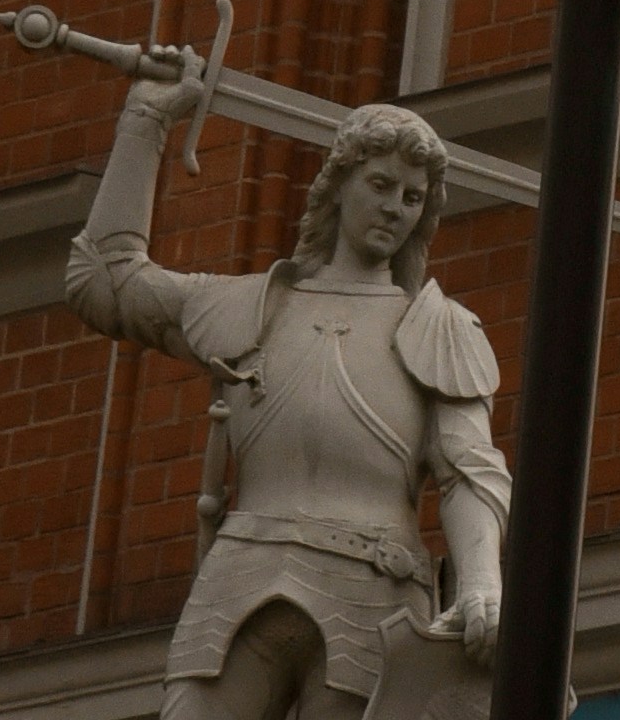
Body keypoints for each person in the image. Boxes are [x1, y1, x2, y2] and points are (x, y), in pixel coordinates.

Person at [66, 54, 506, 720]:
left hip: (373, 596)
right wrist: (146, 119)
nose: (395, 207)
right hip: (241, 582)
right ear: (340, 185)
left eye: (412, 197)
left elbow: (470, 473)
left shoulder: (438, 327)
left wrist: (481, 586)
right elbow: (104, 281)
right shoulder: (255, 307)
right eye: (381, 184)